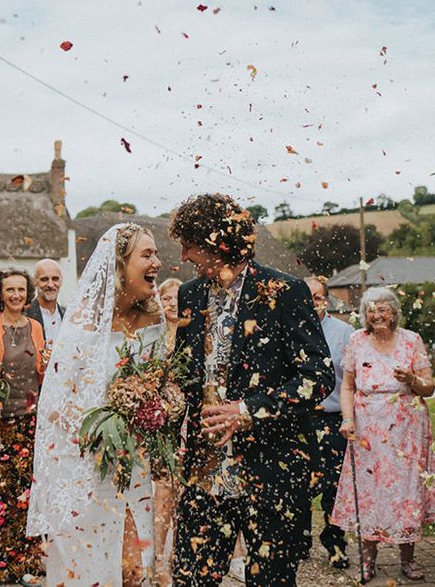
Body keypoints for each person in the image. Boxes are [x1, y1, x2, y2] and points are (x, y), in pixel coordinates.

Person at [169, 193, 333, 587]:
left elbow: (318, 375)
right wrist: (171, 396)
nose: (184, 255)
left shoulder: (285, 291)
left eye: (190, 245)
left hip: (271, 466)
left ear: (216, 243)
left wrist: (249, 410)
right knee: (190, 578)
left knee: (272, 581)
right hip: (204, 470)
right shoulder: (189, 294)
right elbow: (186, 372)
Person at [29, 223, 166, 587]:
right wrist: (102, 429)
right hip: (85, 463)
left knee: (134, 567)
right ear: (120, 264)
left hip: (136, 461)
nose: (157, 262)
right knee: (88, 564)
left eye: (156, 253)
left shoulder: (155, 317)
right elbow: (55, 403)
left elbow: (159, 380)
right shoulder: (83, 323)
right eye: (147, 255)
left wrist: (158, 405)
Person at [331, 287, 435, 583]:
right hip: (368, 430)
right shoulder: (356, 341)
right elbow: (348, 386)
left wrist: (412, 378)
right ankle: (367, 562)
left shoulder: (412, 340)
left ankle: (408, 560)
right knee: (369, 491)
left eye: (382, 309)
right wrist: (348, 418)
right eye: (370, 310)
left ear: (394, 312)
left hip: (407, 430)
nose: (376, 315)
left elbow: (429, 387)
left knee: (406, 490)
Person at [0, 266, 46, 583]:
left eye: (21, 289)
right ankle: (1, 564)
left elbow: (41, 371)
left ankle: (26, 561)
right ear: (0, 293)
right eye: (10, 289)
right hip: (4, 421)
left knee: (28, 492)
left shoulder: (34, 326)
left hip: (32, 421)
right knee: (2, 493)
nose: (16, 295)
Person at [305, 276, 353, 569]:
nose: (311, 303)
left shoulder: (345, 333)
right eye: (305, 297)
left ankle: (335, 544)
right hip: (301, 420)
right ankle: (300, 539)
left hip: (334, 418)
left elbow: (351, 380)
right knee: (302, 482)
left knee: (334, 486)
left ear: (325, 299)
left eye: (315, 297)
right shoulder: (289, 330)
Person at [26, 258, 65, 350]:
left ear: (61, 281)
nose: (50, 285)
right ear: (35, 282)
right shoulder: (24, 316)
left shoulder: (68, 316)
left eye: (55, 279)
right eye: (44, 279)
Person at [158, 277, 182, 347]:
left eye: (178, 298)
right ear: (159, 302)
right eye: (166, 299)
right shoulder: (153, 332)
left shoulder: (197, 330)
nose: (173, 303)